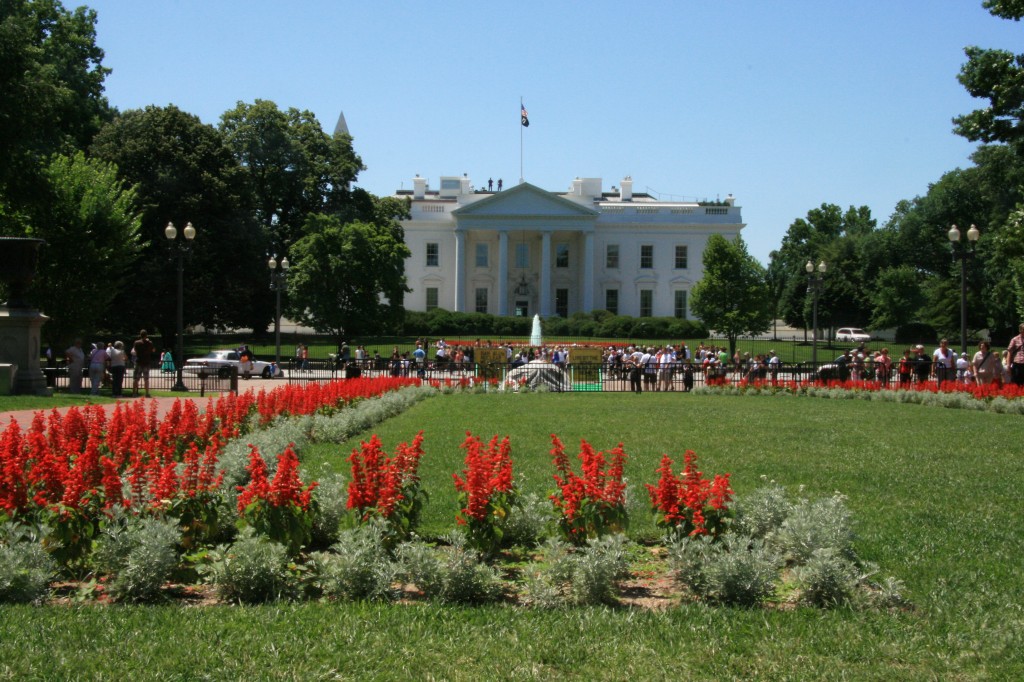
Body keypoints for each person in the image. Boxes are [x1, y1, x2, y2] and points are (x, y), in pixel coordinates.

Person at [132, 329, 157, 397]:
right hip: (146, 362)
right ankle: (147, 393)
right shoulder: (149, 343)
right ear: (146, 335)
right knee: (146, 379)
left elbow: (134, 351)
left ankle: (134, 393)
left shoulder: (136, 343)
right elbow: (153, 350)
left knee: (136, 379)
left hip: (138, 362)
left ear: (140, 335)